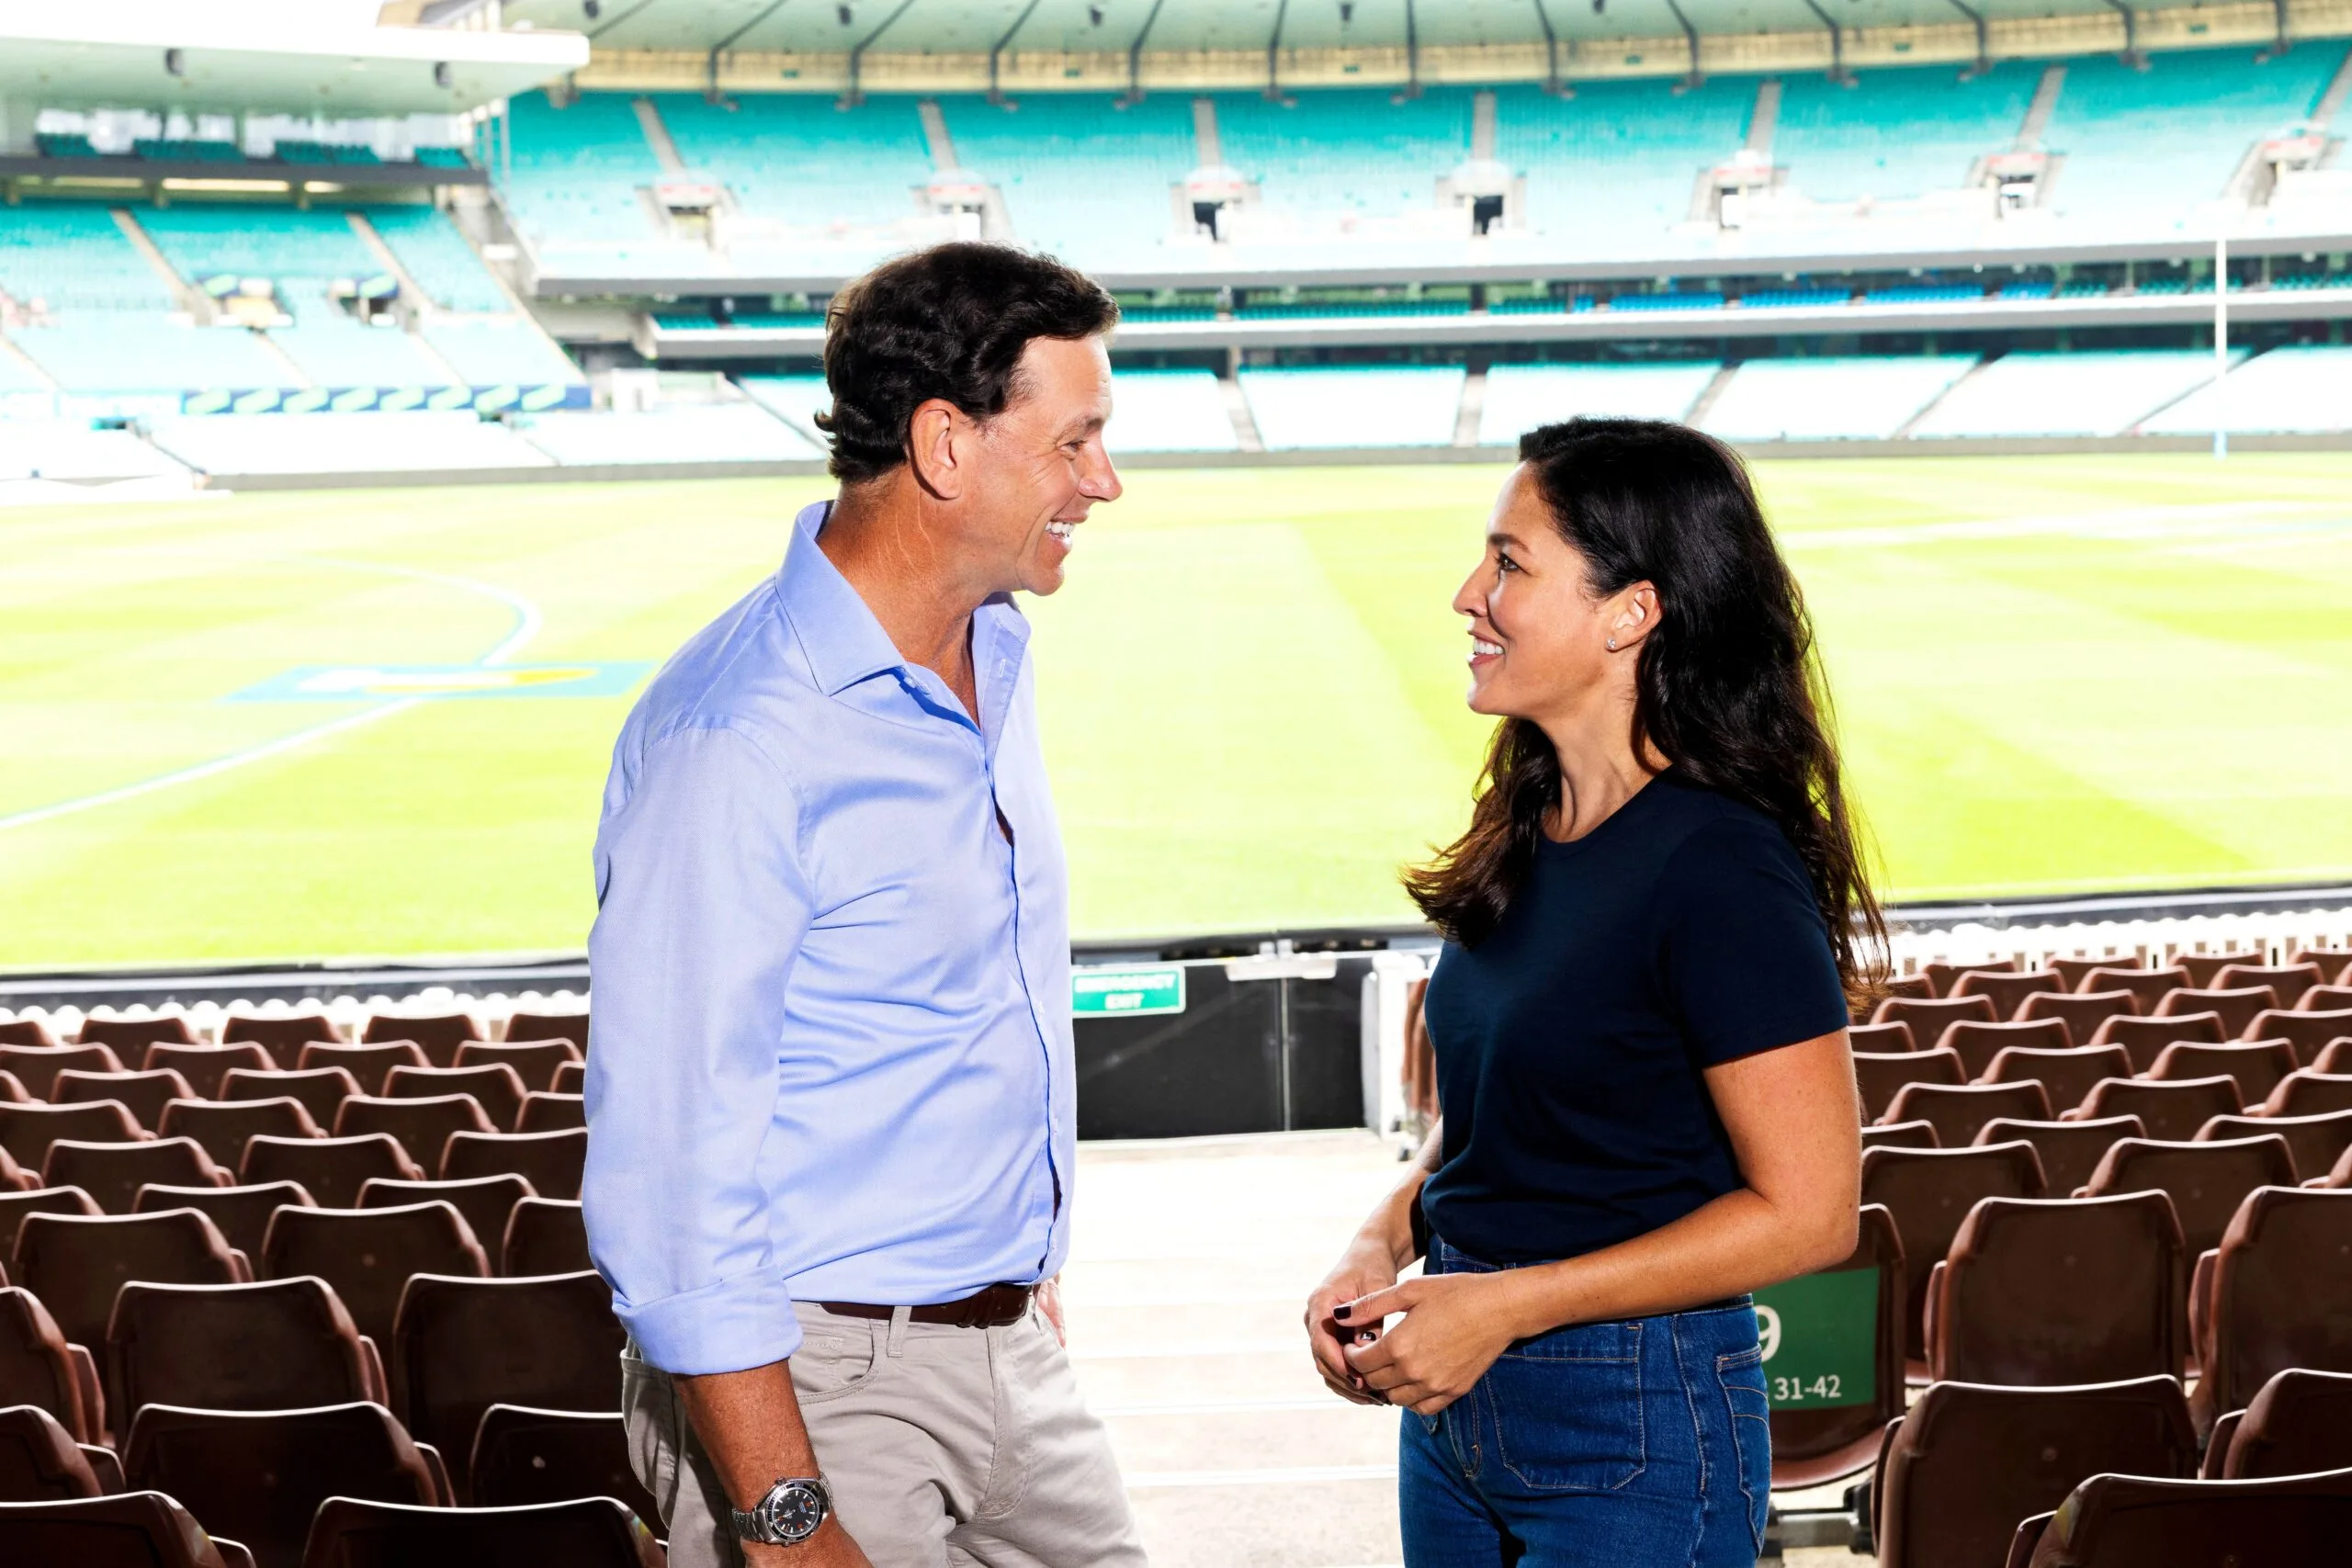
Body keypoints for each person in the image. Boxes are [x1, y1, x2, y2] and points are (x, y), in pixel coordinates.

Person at [583, 243, 1146, 1568]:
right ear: (946, 444)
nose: (1104, 481)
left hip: (1005, 1346)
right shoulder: (737, 735)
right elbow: (669, 1161)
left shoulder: (990, 646)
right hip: (819, 1386)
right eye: (1075, 441)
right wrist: (784, 1512)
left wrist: (1008, 1280)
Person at [1306, 418, 1879, 1568]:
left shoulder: (1718, 864)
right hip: (1460, 1408)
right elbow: (1516, 1118)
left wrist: (1508, 1305)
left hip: (1633, 1416)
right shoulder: (1530, 825)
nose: (1469, 595)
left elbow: (1812, 1212)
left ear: (1631, 613)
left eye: (1509, 563)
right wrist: (1383, 1237)